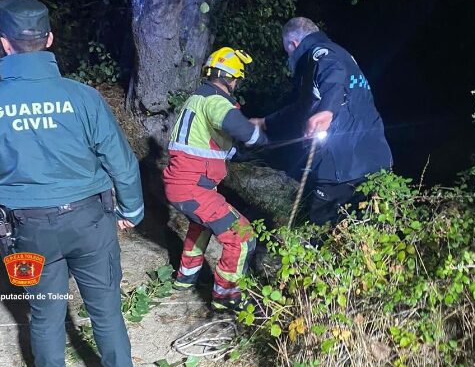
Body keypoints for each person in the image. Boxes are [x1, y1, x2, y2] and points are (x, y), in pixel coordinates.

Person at [0, 0, 144, 367]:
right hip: (90, 223)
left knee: (44, 312)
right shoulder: (83, 97)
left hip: (26, 231)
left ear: (5, 44)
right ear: (49, 38)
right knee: (106, 310)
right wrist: (131, 209)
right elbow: (121, 161)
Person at [253, 17, 392, 225]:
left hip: (344, 167)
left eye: (287, 51)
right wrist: (266, 122)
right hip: (375, 161)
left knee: (321, 229)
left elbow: (333, 74)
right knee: (371, 229)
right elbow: (301, 109)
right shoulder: (340, 56)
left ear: (293, 44)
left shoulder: (320, 54)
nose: (289, 57)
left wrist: (327, 110)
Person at [163, 47, 268, 310]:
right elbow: (241, 129)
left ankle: (185, 279)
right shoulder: (215, 101)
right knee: (242, 237)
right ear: (233, 78)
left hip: (187, 186)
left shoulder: (195, 100)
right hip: (192, 188)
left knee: (201, 226)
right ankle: (226, 298)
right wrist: (261, 138)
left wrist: (241, 149)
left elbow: (218, 147)